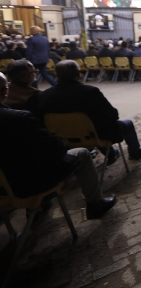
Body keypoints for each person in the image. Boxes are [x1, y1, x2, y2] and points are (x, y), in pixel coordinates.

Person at [0, 72, 116, 220]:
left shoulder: (31, 106)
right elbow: (54, 149)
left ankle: (39, 207)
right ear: (5, 91)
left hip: (3, 187)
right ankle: (95, 204)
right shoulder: (19, 118)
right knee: (82, 153)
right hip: (26, 182)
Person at [29, 61, 141, 162]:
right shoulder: (90, 92)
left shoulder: (43, 96)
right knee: (125, 123)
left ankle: (111, 154)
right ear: (79, 74)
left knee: (91, 125)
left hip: (63, 139)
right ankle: (135, 152)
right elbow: (112, 115)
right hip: (94, 136)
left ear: (56, 75)